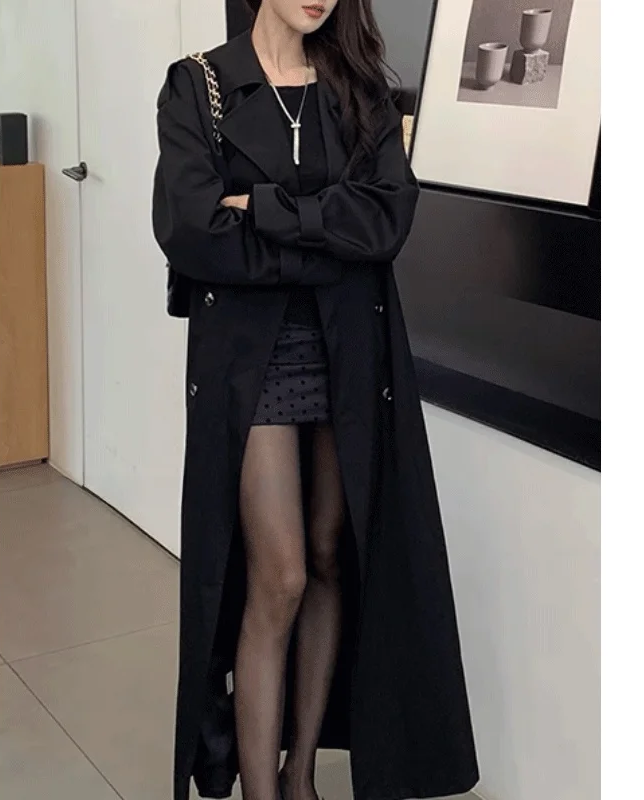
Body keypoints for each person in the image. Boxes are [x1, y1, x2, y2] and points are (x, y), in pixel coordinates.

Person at [152, 2, 479, 800]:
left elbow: (388, 220)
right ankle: (261, 790)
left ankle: (300, 774)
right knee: (283, 574)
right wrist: (329, 243)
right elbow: (191, 231)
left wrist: (264, 210)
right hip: (253, 362)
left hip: (348, 352)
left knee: (334, 556)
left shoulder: (359, 89)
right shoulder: (199, 85)